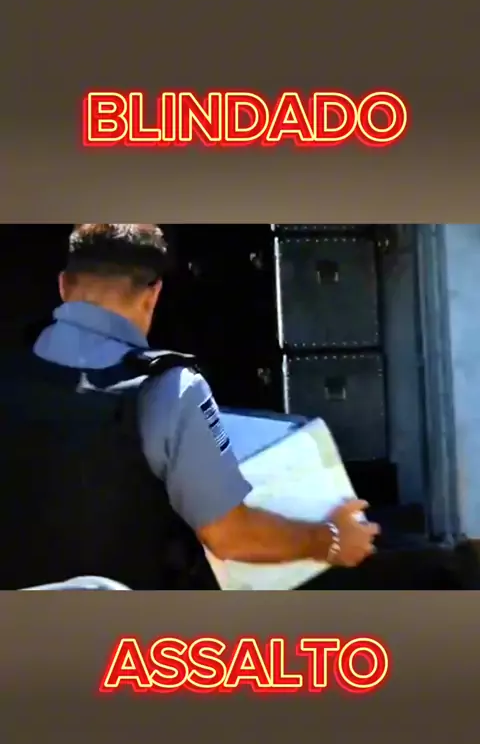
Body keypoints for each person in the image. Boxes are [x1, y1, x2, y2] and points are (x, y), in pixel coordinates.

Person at [0, 223, 472, 589]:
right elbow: (230, 536)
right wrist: (331, 540)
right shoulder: (168, 388)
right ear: (153, 293)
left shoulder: (11, 376)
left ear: (63, 286)